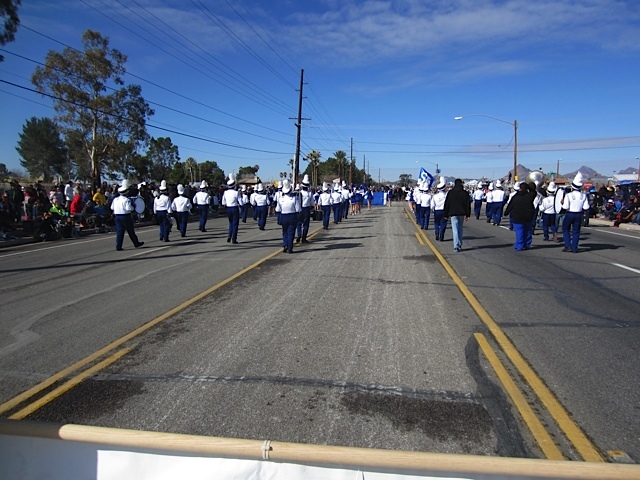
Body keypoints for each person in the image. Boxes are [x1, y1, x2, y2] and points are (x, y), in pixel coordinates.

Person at [110, 180, 144, 251]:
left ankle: (118, 246)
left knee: (120, 231)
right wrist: (133, 206)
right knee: (130, 230)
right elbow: (129, 209)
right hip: (125, 216)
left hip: (117, 216)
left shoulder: (116, 199)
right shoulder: (126, 200)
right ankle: (136, 243)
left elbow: (112, 208)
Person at [561, 173, 590, 253]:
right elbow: (586, 207)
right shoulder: (583, 196)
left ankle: (567, 245)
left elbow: (565, 207)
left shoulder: (569, 195)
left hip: (570, 213)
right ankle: (574, 247)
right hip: (579, 214)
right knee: (576, 231)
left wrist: (562, 203)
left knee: (565, 229)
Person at [504, 182, 536, 251]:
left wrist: (506, 212)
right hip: (528, 216)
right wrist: (529, 187)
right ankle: (527, 244)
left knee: (519, 232)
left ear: (519, 188)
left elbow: (510, 206)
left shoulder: (515, 197)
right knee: (528, 231)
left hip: (517, 217)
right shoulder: (530, 196)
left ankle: (519, 245)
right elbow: (533, 190)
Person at [443, 179, 470, 252]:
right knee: (460, 228)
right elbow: (467, 205)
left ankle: (456, 245)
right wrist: (468, 214)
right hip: (461, 213)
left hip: (453, 213)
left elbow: (447, 204)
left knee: (455, 229)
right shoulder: (465, 193)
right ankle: (459, 244)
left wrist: (445, 214)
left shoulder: (451, 193)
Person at [275, 179, 301, 253]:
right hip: (292, 216)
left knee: (285, 231)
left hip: (283, 216)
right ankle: (290, 248)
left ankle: (285, 244)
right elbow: (298, 209)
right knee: (291, 233)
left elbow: (277, 209)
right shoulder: (294, 198)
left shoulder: (280, 199)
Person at [222, 173, 240, 243]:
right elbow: (240, 201)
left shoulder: (225, 192)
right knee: (235, 224)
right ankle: (234, 239)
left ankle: (229, 234)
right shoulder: (236, 192)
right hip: (234, 208)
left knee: (231, 222)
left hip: (228, 208)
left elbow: (223, 202)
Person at [296, 174, 314, 243]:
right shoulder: (310, 193)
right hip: (307, 209)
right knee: (306, 224)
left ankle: (299, 234)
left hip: (300, 209)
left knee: (299, 223)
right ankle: (304, 238)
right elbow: (312, 203)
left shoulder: (299, 193)